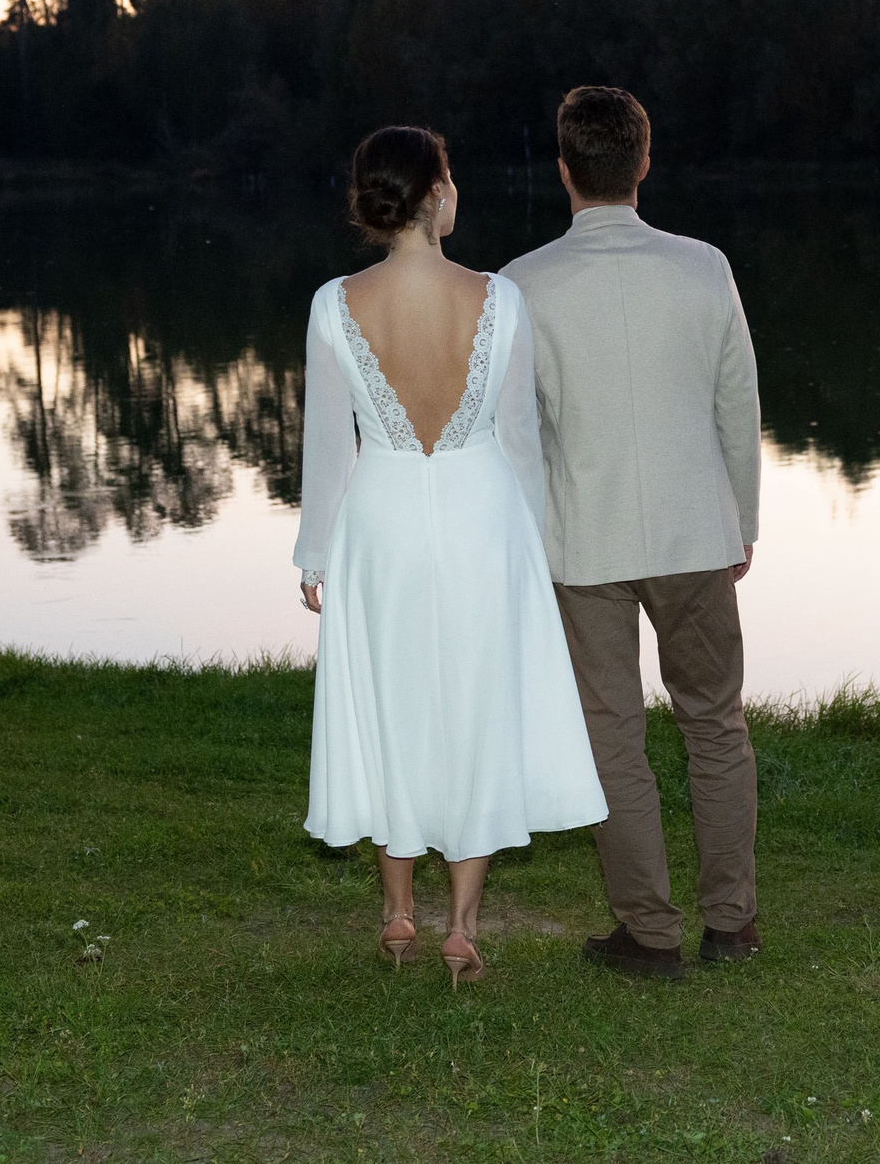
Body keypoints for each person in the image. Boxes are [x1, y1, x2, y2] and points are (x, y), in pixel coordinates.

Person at [295, 125, 606, 990]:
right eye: (452, 175)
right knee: (476, 706)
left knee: (392, 704)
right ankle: (462, 926)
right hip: (481, 520)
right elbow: (519, 438)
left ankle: (398, 911)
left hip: (381, 522)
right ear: (434, 193)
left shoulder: (334, 303)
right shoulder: (500, 299)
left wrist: (315, 553)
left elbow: (328, 445)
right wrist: (534, 546)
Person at [502, 86, 763, 979]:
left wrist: (524, 540)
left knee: (611, 732)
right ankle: (730, 922)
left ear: (564, 170)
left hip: (585, 538)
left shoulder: (521, 284)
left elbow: (515, 433)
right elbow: (738, 408)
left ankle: (650, 932)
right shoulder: (704, 266)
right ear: (645, 162)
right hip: (695, 533)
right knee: (714, 721)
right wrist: (742, 521)